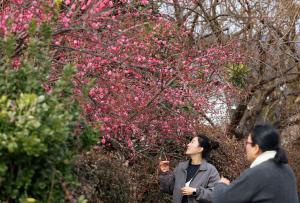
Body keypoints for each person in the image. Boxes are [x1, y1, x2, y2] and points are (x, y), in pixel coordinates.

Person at [212, 124, 299, 203]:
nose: (245, 147)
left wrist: (221, 184)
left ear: (256, 148)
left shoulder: (259, 172)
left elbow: (221, 199)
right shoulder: (287, 169)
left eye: (247, 143)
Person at [159, 134, 220, 203]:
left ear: (200, 149)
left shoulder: (210, 170)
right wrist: (165, 172)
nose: (188, 144)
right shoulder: (181, 167)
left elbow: (216, 195)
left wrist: (195, 191)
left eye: (192, 142)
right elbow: (169, 189)